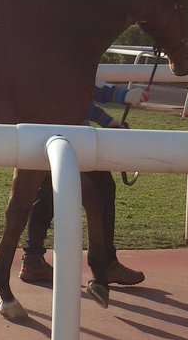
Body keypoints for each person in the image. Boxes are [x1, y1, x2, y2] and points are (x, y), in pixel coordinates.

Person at [19, 82, 149, 286]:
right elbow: (76, 97)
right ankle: (106, 264)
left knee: (47, 195)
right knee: (101, 187)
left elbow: (84, 91)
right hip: (69, 139)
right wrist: (121, 100)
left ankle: (33, 259)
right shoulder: (61, 60)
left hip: (50, 137)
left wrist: (111, 120)